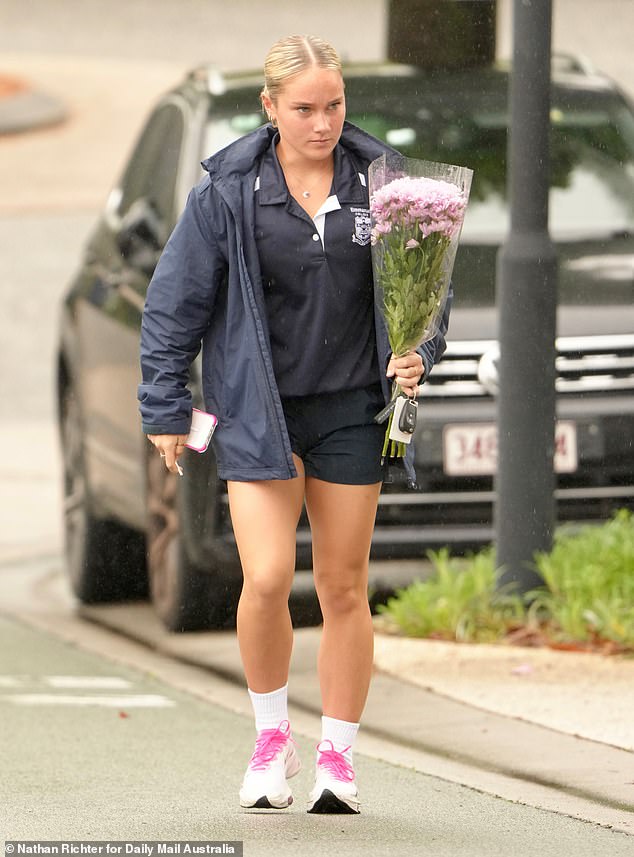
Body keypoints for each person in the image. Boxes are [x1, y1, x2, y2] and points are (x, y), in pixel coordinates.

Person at [138, 34, 450, 814]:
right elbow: (174, 304)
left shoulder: (388, 189)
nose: (323, 123)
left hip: (352, 410)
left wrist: (420, 351)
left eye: (335, 106)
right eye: (305, 108)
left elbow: (431, 295)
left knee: (344, 586)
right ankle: (271, 739)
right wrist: (166, 407)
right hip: (256, 412)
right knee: (269, 575)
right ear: (270, 107)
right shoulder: (227, 193)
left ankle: (338, 758)